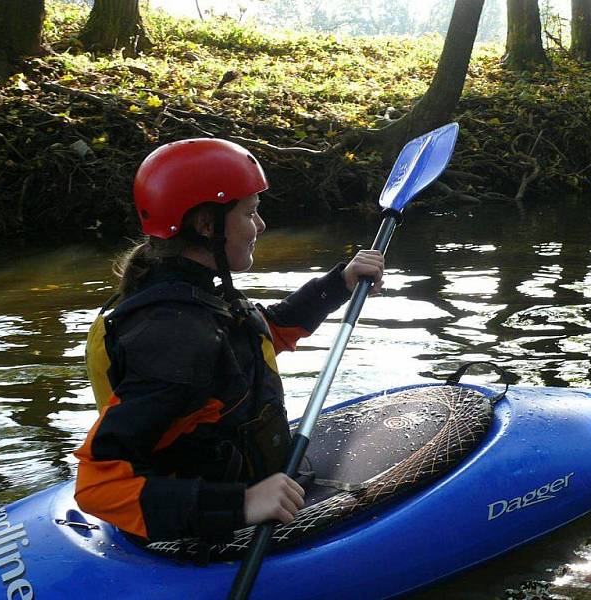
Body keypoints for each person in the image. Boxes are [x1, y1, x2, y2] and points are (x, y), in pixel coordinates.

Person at [74, 138, 384, 546]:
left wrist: (336, 285)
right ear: (207, 226)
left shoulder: (185, 292)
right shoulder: (177, 341)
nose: (260, 226)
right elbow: (97, 486)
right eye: (251, 213)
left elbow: (257, 337)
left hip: (230, 482)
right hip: (204, 522)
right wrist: (243, 503)